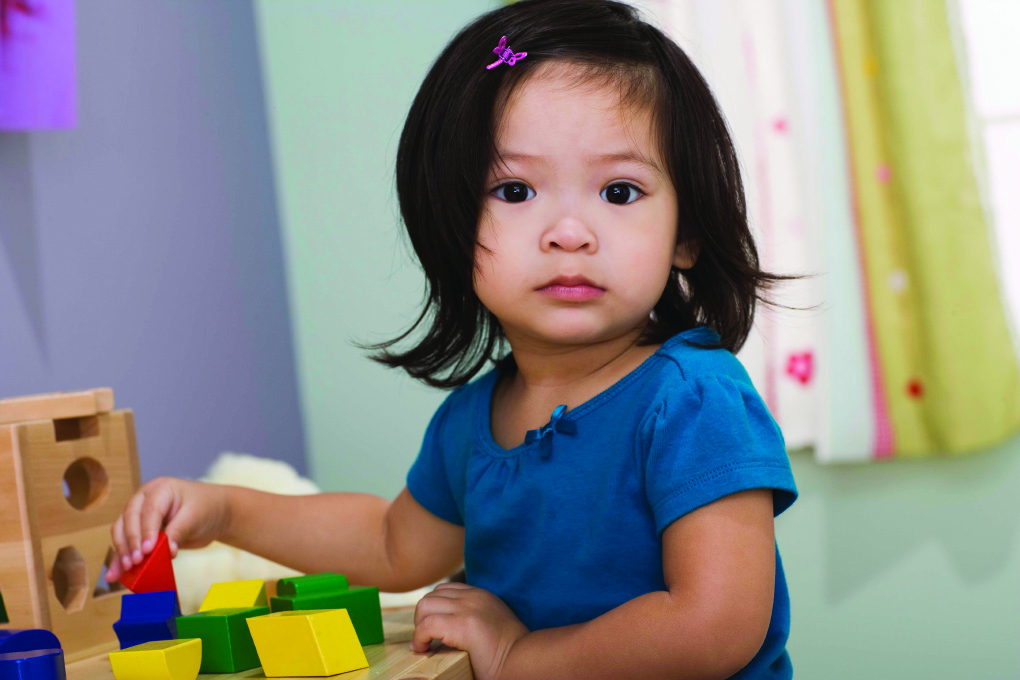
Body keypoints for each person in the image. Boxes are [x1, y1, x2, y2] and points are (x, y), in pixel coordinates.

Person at [105, 1, 802, 678]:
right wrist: (225, 509)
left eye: (619, 192)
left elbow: (716, 626)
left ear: (686, 233)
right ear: (450, 224)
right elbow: (391, 544)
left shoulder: (693, 401)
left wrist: (518, 659)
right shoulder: (473, 421)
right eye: (515, 191)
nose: (569, 233)